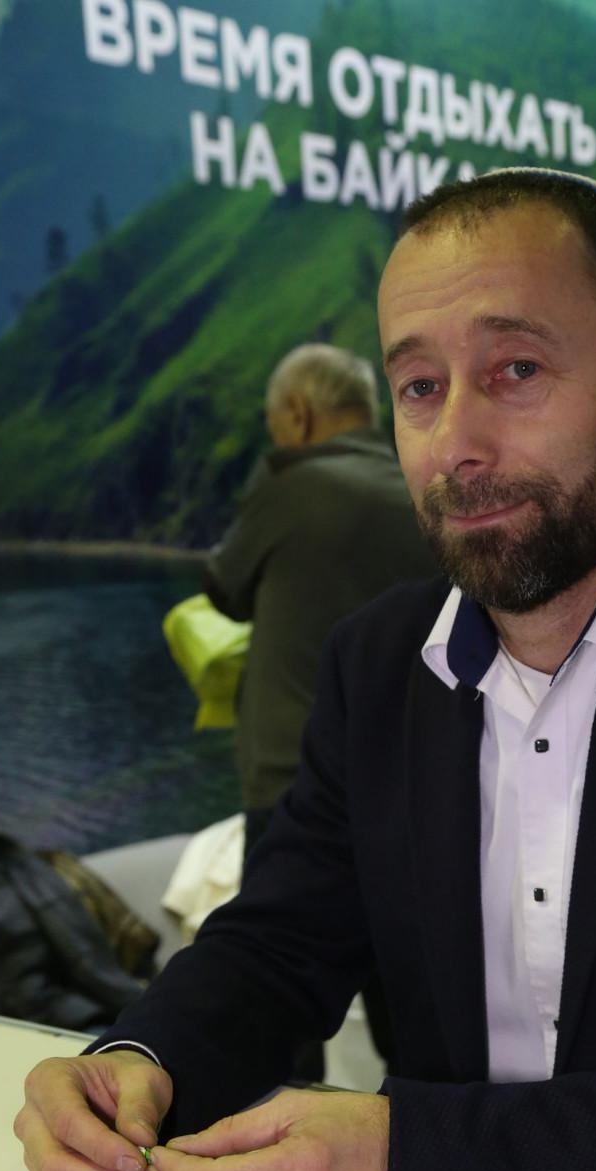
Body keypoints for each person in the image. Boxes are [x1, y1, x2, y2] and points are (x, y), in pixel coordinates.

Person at [14, 167, 596, 1171]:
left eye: (516, 370)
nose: (456, 443)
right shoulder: (378, 666)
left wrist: (422, 1162)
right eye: (419, 386)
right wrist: (138, 1064)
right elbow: (280, 942)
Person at [204, 343, 433, 862]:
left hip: (294, 784)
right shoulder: (422, 493)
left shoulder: (291, 486)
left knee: (277, 917)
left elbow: (224, 589)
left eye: (274, 426)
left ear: (298, 415)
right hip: (404, 782)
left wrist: (268, 475)